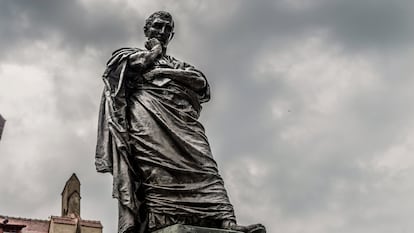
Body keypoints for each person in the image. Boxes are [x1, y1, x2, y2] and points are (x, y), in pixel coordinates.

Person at [96, 11, 265, 233]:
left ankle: (226, 222)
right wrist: (156, 50)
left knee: (205, 166)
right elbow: (138, 64)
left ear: (172, 34)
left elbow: (201, 83)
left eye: (168, 28)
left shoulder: (179, 64)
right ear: (147, 30)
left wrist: (165, 72)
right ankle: (161, 223)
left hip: (184, 121)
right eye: (158, 26)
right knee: (156, 170)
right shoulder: (127, 55)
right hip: (148, 117)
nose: (163, 31)